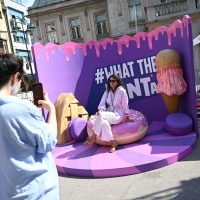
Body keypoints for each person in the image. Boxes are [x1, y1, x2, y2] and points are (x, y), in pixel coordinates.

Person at [0, 54, 59, 200]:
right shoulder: (23, 109)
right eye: (21, 81)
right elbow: (49, 141)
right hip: (36, 192)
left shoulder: (22, 109)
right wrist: (52, 110)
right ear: (15, 77)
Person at [84, 74, 130, 153]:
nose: (111, 83)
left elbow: (125, 104)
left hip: (118, 114)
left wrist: (127, 115)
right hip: (109, 112)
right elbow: (102, 102)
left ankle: (93, 137)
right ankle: (113, 144)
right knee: (104, 123)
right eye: (110, 81)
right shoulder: (107, 91)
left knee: (101, 115)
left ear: (117, 82)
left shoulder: (121, 91)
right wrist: (101, 109)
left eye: (113, 81)